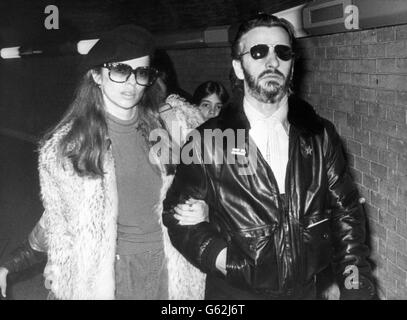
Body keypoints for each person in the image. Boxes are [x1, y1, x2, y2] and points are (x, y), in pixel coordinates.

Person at [162, 13, 376, 300]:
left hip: (305, 292)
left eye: (282, 52)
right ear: (238, 67)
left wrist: (354, 287)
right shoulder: (205, 140)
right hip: (235, 294)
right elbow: (175, 216)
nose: (272, 61)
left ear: (291, 65)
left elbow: (347, 213)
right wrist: (222, 258)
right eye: (259, 52)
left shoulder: (319, 134)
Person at [0, 24, 207, 300]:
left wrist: (204, 209)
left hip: (171, 266)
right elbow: (59, 218)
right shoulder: (70, 147)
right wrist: (11, 263)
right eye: (121, 70)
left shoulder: (169, 128)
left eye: (141, 73)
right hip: (111, 274)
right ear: (97, 75)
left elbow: (207, 186)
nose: (132, 83)